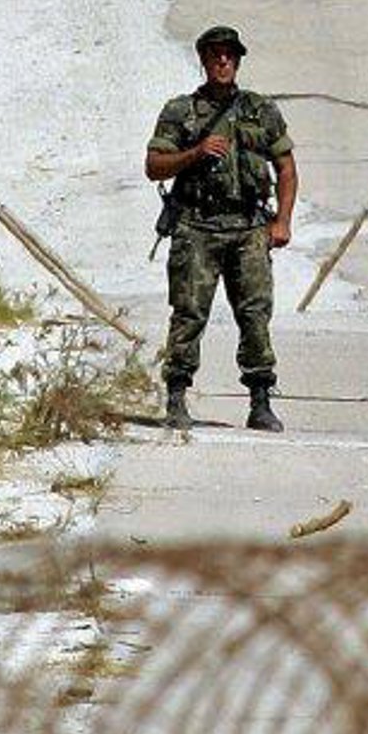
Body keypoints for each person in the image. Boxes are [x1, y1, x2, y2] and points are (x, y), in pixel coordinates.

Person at [145, 24, 298, 432]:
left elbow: (286, 168)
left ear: (238, 60)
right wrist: (195, 153)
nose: (223, 60)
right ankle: (177, 396)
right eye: (215, 54)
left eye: (229, 54)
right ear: (204, 60)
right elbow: (154, 166)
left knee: (255, 314)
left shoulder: (260, 111)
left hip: (248, 227)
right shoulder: (181, 111)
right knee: (189, 312)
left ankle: (260, 400)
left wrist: (282, 221)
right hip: (197, 225)